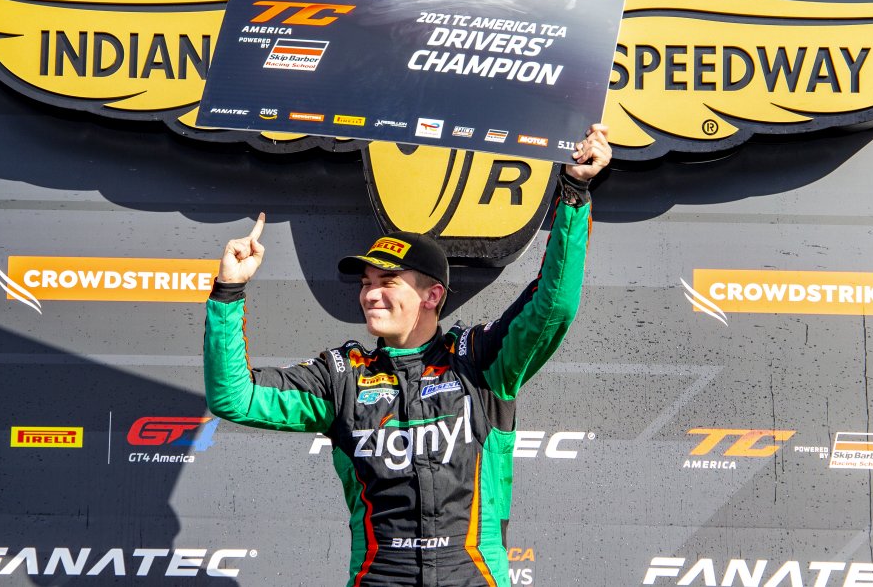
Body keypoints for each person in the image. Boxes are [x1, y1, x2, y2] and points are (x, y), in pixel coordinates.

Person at [204, 124, 611, 587]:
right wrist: (228, 290)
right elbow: (234, 397)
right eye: (366, 284)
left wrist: (574, 192)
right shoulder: (342, 377)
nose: (370, 295)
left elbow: (553, 307)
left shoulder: (479, 362)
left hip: (473, 576)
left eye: (388, 282)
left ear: (432, 295)